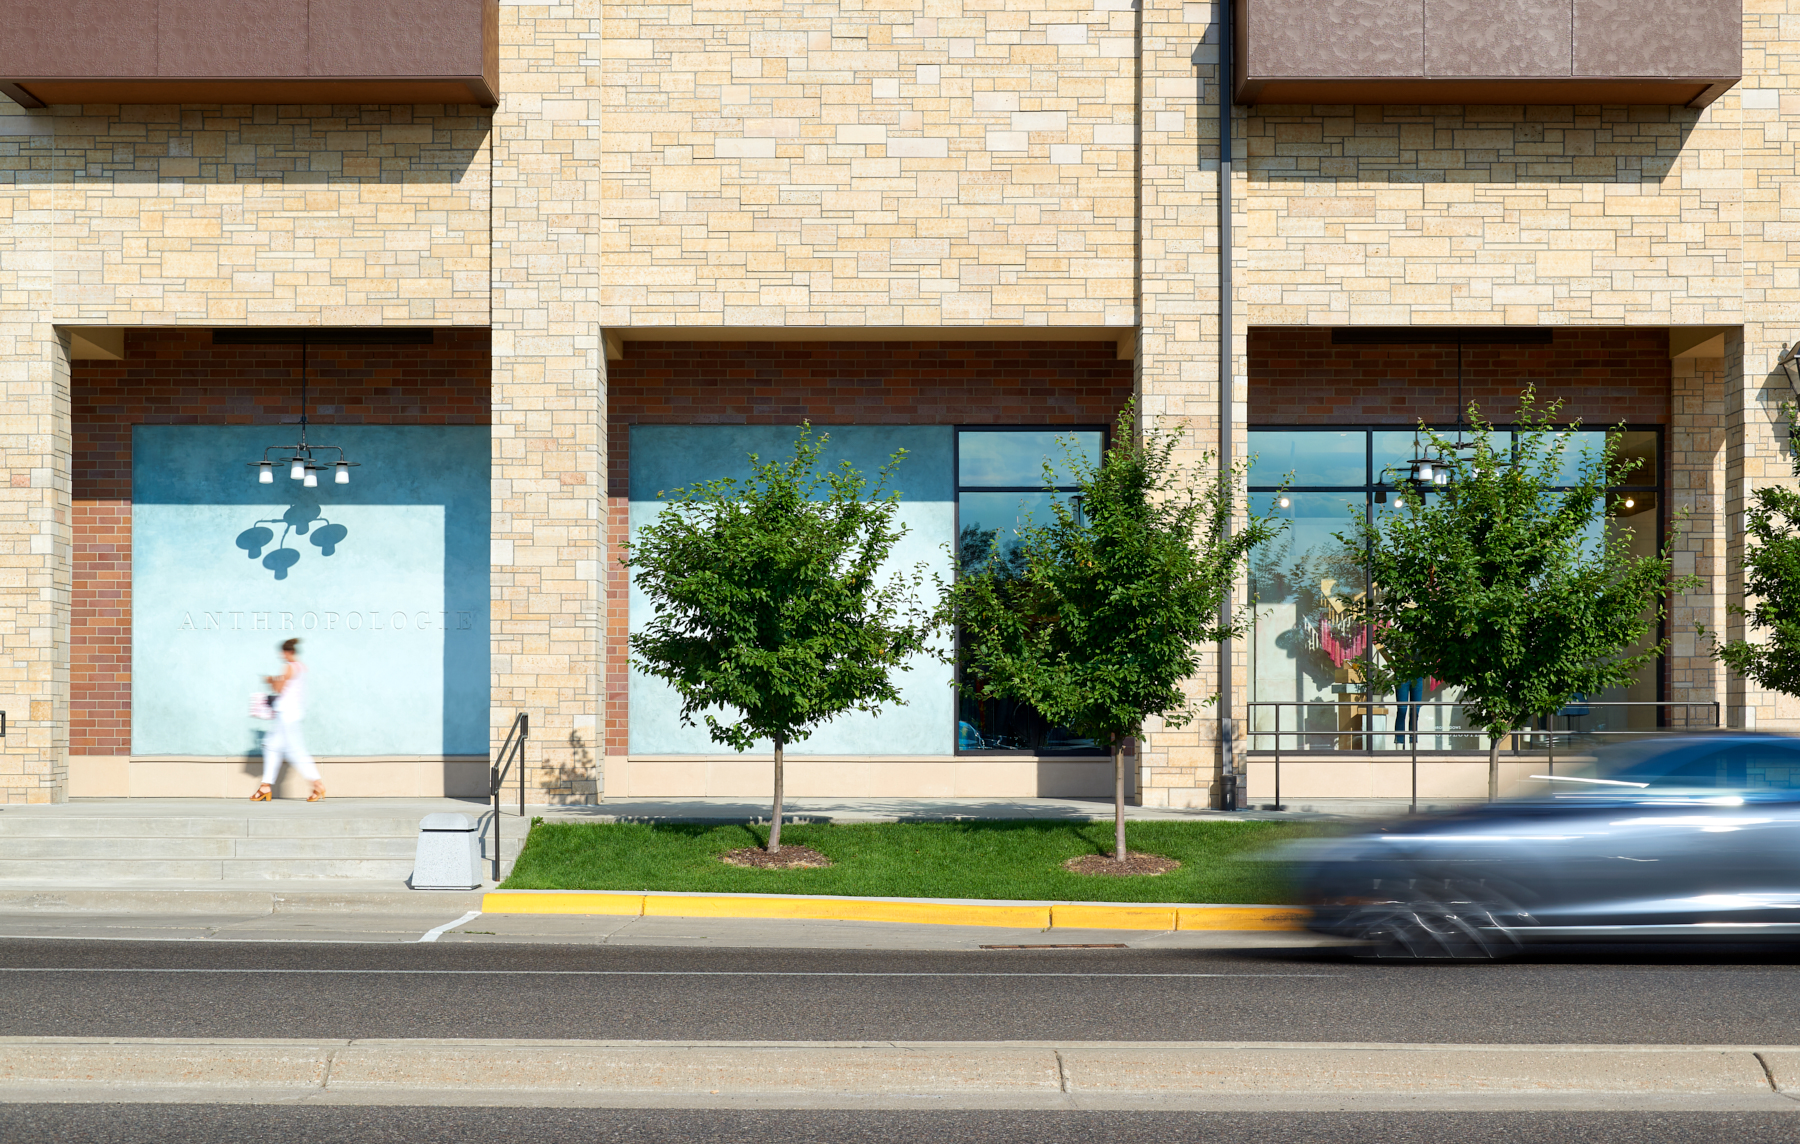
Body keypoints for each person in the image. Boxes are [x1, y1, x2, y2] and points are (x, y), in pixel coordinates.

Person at [251, 638, 325, 802]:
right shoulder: (302, 668)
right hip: (291, 713)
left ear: (288, 652)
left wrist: (270, 680)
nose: (281, 655)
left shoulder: (289, 667)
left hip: (286, 715)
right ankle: (265, 786)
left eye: (283, 652)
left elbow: (279, 689)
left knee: (296, 751)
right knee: (271, 746)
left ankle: (317, 784)